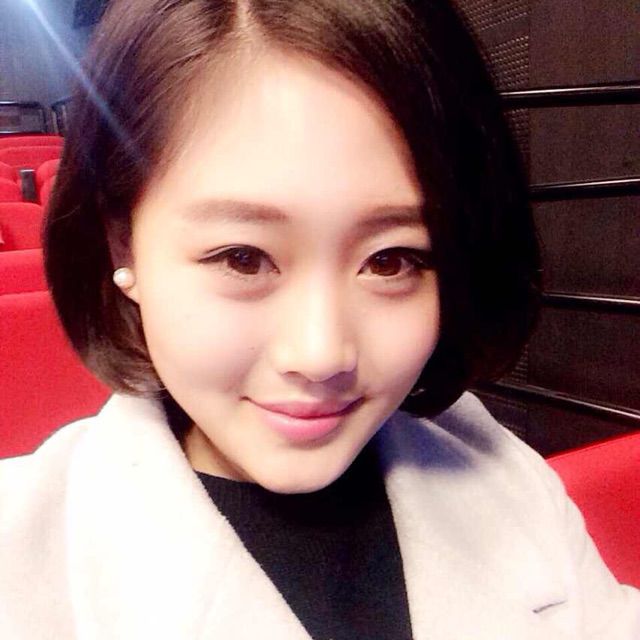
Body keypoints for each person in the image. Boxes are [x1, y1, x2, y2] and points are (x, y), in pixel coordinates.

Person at [1, 0, 638, 638]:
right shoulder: (21, 555)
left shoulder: (505, 474)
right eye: (243, 258)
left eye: (391, 260)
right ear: (123, 245)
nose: (320, 353)